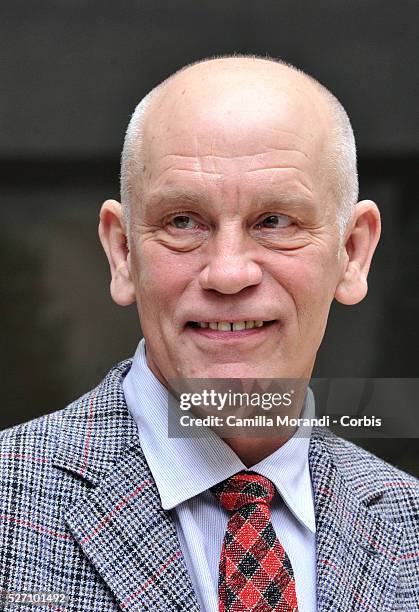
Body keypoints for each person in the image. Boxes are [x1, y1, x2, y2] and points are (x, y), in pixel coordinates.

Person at [0, 55, 418, 612]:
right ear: (122, 253)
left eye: (276, 222)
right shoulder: (10, 505)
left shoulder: (409, 530)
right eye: (182, 221)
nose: (228, 272)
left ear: (352, 252)